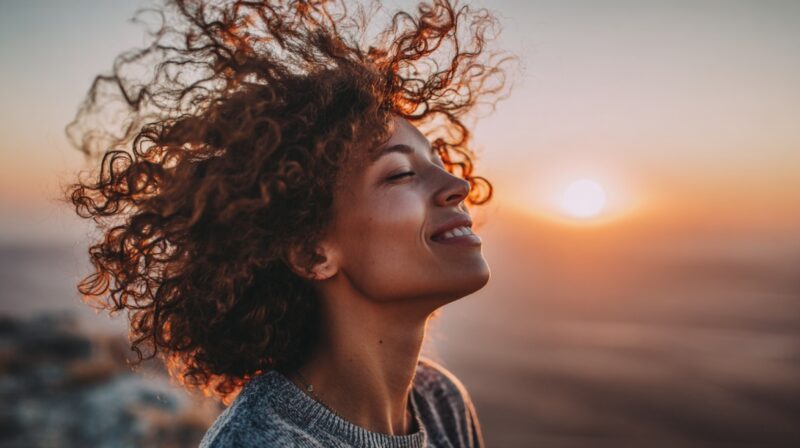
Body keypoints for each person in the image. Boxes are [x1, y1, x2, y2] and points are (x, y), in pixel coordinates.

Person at [63, 0, 516, 446]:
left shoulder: (440, 402)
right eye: (399, 174)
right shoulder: (262, 442)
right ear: (311, 253)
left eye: (438, 161)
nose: (457, 183)